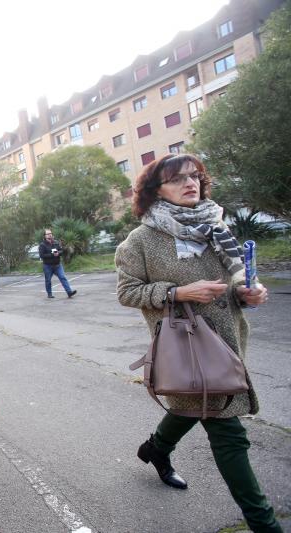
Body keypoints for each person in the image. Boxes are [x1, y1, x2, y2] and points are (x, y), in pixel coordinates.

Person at [115, 154, 280, 532]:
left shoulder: (216, 227)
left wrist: (248, 295)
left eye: (195, 176)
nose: (191, 183)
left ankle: (156, 449)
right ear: (156, 191)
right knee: (228, 432)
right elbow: (127, 292)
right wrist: (179, 292)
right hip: (185, 346)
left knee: (193, 401)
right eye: (178, 179)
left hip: (226, 342)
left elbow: (235, 283)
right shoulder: (141, 240)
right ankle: (266, 525)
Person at [38, 229, 77, 299]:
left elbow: (61, 250)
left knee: (63, 277)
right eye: (48, 234)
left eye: (51, 233)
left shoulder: (55, 242)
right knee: (48, 280)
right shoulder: (42, 245)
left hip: (57, 265)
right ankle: (49, 294)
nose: (50, 234)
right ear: (44, 236)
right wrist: (52, 254)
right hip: (47, 266)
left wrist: (58, 253)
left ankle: (69, 292)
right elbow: (42, 255)